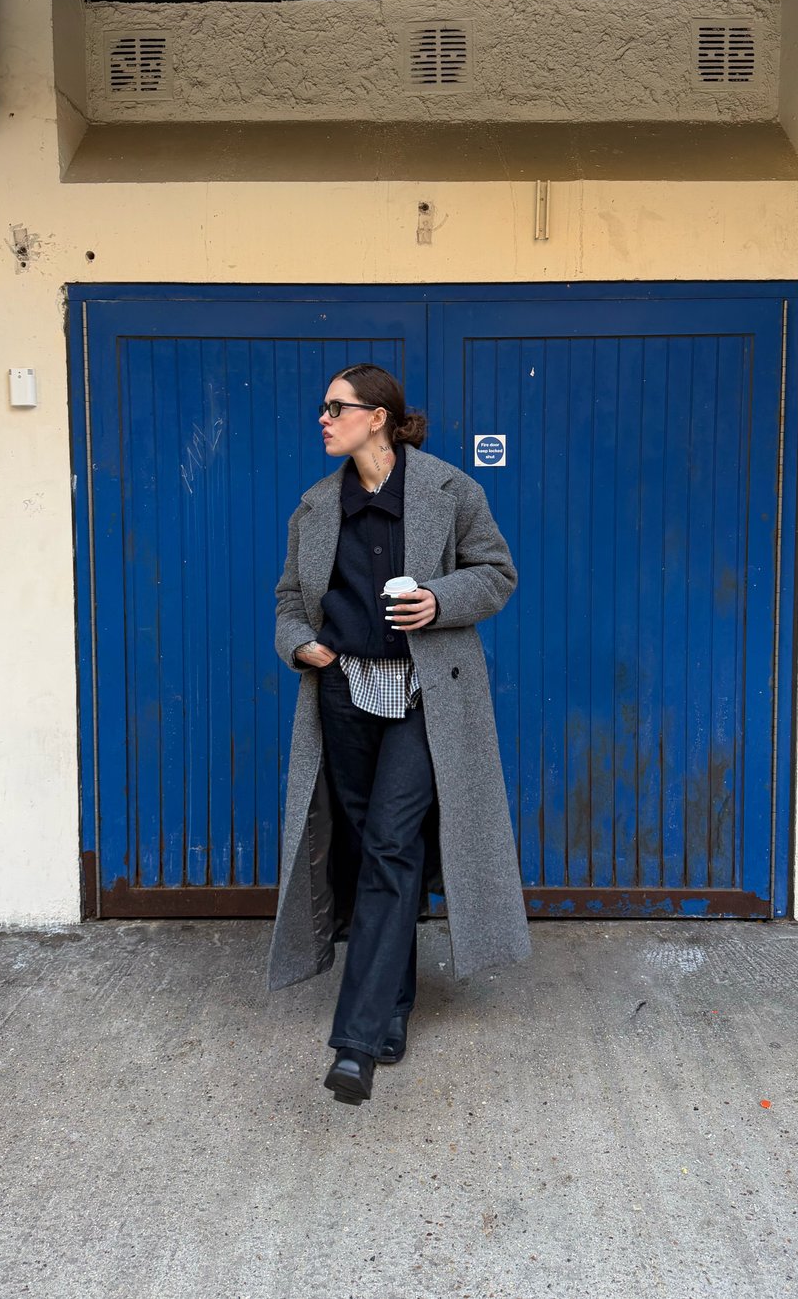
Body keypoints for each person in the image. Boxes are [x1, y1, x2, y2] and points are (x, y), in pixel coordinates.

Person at [270, 363, 531, 1105]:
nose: (324, 419)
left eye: (337, 407)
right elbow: (289, 598)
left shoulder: (451, 490)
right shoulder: (316, 507)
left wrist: (439, 600)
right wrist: (301, 645)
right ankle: (392, 1003)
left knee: (390, 842)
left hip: (427, 695)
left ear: (378, 416)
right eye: (324, 408)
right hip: (345, 692)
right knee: (366, 849)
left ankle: (354, 1044)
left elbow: (497, 573)